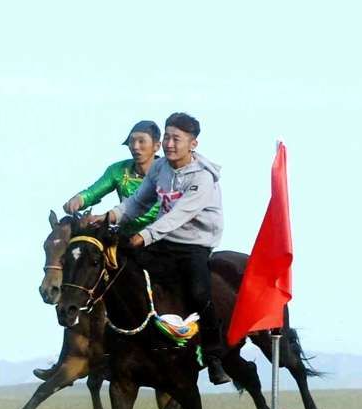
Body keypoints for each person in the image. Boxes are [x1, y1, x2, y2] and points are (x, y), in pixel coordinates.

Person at [32, 121, 165, 379]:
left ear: (156, 146)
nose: (135, 148)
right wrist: (79, 199)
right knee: (81, 276)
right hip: (120, 238)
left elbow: (150, 209)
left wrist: (112, 218)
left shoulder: (163, 172)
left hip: (155, 238)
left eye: (142, 142)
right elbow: (96, 190)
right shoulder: (118, 170)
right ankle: (69, 356)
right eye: (132, 142)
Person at [109, 112, 226, 383]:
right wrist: (109, 217)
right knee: (123, 270)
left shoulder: (203, 178)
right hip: (164, 241)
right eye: (168, 138)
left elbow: (178, 215)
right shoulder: (160, 169)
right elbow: (137, 202)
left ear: (192, 144)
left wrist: (144, 236)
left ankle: (214, 355)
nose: (170, 144)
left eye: (177, 139)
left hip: (194, 245)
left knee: (198, 292)